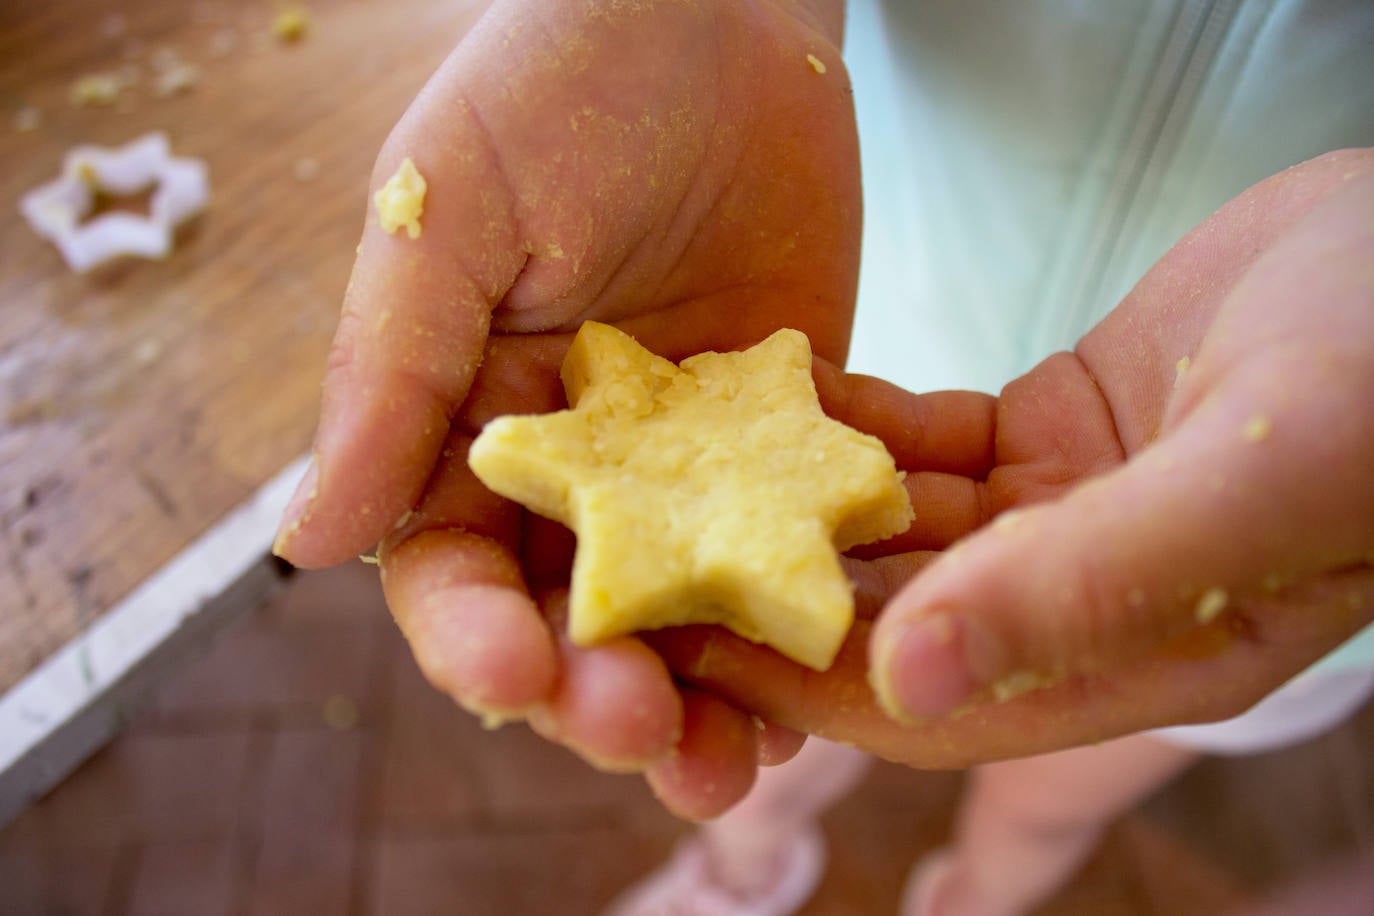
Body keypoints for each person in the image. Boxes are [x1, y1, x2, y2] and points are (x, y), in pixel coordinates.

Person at [272, 0, 1374, 911]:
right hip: (860, 311)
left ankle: (983, 891)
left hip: (1301, 460)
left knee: (1056, 782)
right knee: (773, 739)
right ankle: (744, 870)